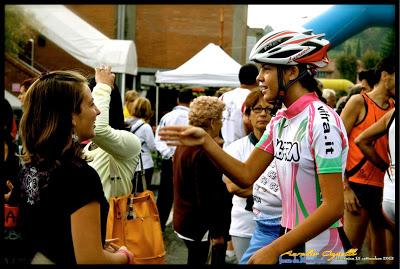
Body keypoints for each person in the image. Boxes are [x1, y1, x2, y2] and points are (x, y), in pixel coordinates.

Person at [159, 30, 350, 264]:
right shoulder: (280, 119)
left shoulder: (322, 122)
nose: (259, 78)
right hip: (288, 241)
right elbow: (246, 175)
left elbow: (333, 207)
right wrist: (206, 142)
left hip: (318, 251)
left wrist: (273, 249)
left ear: (292, 71)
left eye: (267, 69)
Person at [17, 70, 134, 264]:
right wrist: (124, 256)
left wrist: (94, 243)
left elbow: (52, 229)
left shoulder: (31, 165)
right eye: (90, 103)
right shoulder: (79, 177)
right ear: (71, 117)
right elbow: (91, 260)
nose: (97, 110)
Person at [340, 57, 395, 262]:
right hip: (358, 185)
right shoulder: (358, 101)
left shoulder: (394, 108)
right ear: (385, 76)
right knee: (350, 254)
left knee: (382, 257)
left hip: (384, 188)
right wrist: (345, 187)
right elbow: (336, 145)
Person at [223, 90, 282, 263]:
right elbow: (233, 187)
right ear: (248, 115)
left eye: (269, 109)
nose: (263, 113)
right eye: (257, 109)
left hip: (280, 223)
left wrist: (254, 186)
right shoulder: (236, 148)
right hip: (245, 223)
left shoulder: (285, 147)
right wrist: (274, 190)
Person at [172, 96, 231, 265]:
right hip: (198, 224)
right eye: (220, 119)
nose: (222, 123)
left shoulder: (185, 142)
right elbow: (207, 197)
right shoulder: (203, 149)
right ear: (212, 122)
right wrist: (218, 232)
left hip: (184, 217)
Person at [83, 67, 141, 201]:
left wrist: (103, 87)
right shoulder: (89, 146)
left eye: (92, 103)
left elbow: (99, 130)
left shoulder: (129, 141)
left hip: (111, 220)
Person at [355, 108, 395, 263]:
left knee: (390, 253)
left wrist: (387, 167)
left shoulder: (392, 113)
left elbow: (361, 140)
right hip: (371, 186)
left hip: (390, 196)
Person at [154, 88, 195, 232]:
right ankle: (186, 227)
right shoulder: (192, 117)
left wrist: (169, 154)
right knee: (187, 195)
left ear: (178, 100)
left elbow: (157, 140)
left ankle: (158, 227)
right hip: (187, 161)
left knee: (165, 196)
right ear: (191, 102)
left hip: (168, 161)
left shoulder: (167, 117)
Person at [219, 63, 259, 149]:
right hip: (244, 148)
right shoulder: (252, 97)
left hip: (226, 148)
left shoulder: (223, 96)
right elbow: (248, 122)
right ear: (257, 79)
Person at [129, 96, 156, 192]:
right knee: (142, 197)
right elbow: (153, 147)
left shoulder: (126, 123)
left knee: (129, 195)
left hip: (128, 165)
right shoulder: (145, 127)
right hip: (144, 165)